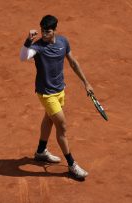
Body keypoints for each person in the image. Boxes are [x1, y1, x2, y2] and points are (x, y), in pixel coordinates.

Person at [19, 15, 94, 179]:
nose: (44, 34)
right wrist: (28, 40)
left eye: (47, 31)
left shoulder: (63, 42)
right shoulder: (38, 47)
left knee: (49, 119)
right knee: (62, 127)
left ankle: (40, 151)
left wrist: (86, 83)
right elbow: (23, 57)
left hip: (60, 90)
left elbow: (73, 62)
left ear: (55, 31)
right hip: (46, 94)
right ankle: (72, 164)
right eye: (42, 31)